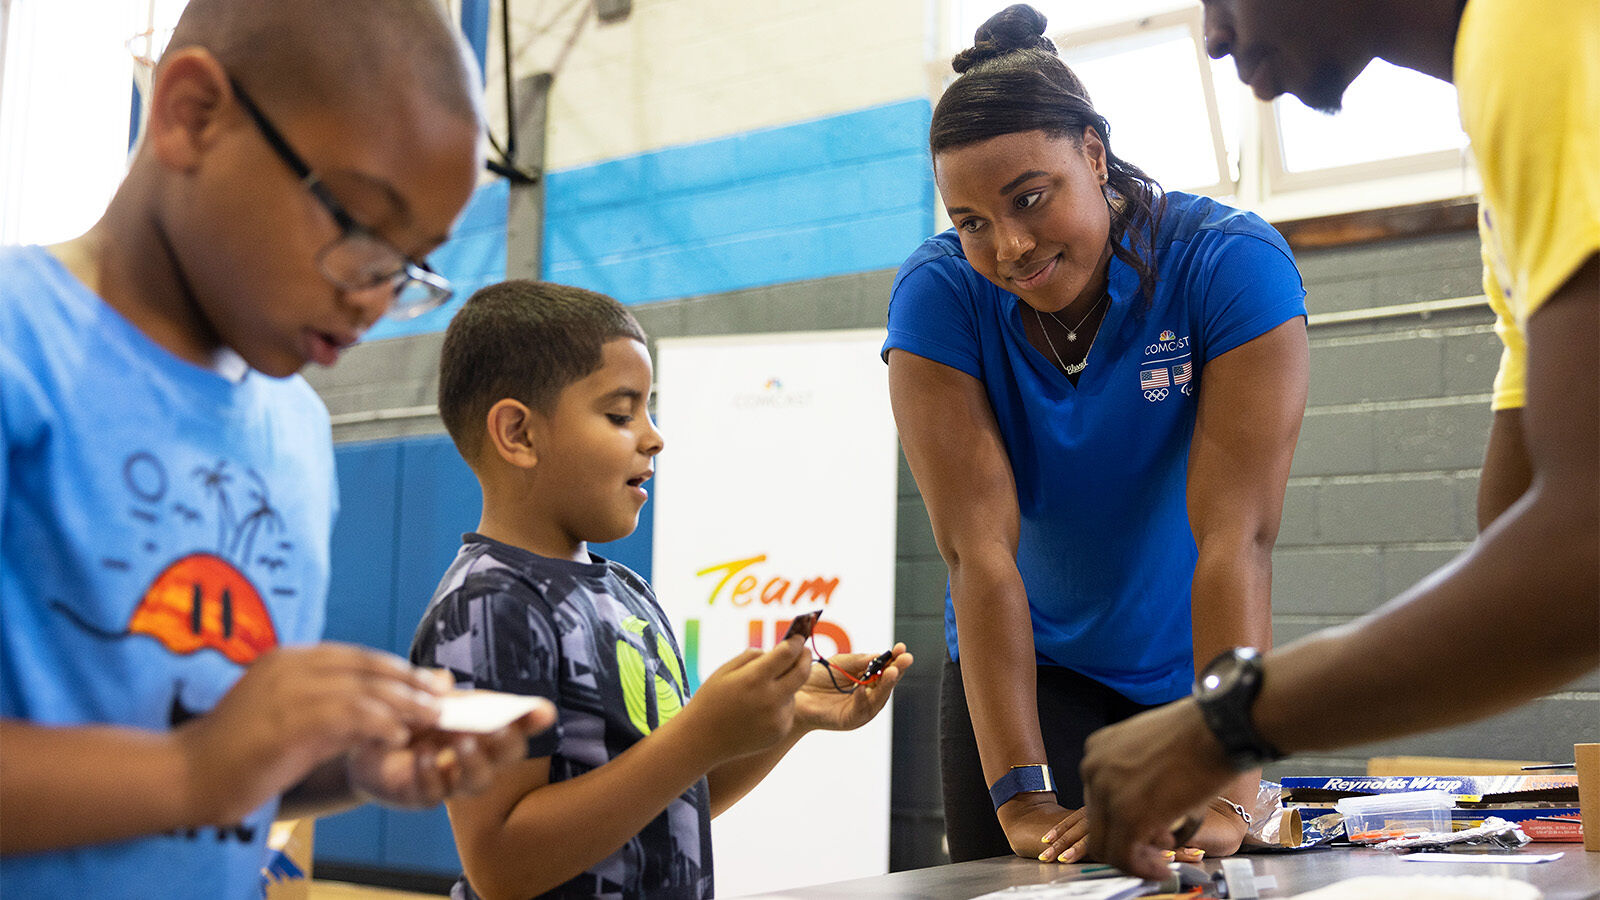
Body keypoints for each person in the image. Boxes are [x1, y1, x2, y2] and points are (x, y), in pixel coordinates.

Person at [0, 2, 554, 895]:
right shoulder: (21, 351)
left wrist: (349, 763)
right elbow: (191, 767)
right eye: (364, 231)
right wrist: (195, 770)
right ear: (192, 115)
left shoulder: (293, 429)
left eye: (412, 264)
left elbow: (211, 758)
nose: (377, 298)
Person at [1081, 0, 1599, 879]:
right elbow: (1519, 535)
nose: (1210, 33)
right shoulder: (1504, 89)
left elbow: (1578, 555)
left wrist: (1225, 722)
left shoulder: (1542, 34)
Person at [883, 3, 1309, 866]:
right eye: (969, 221)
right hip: (1024, 674)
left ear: (1094, 153)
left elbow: (1240, 538)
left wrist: (1230, 780)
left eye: (1029, 199)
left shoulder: (1228, 265)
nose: (1008, 245)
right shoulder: (938, 297)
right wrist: (1023, 797)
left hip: (1186, 673)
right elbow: (977, 555)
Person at [411, 279, 914, 899]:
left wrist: (791, 717)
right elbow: (501, 865)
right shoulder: (487, 605)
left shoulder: (628, 592)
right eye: (621, 414)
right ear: (518, 433)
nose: (654, 435)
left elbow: (675, 796)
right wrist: (698, 734)